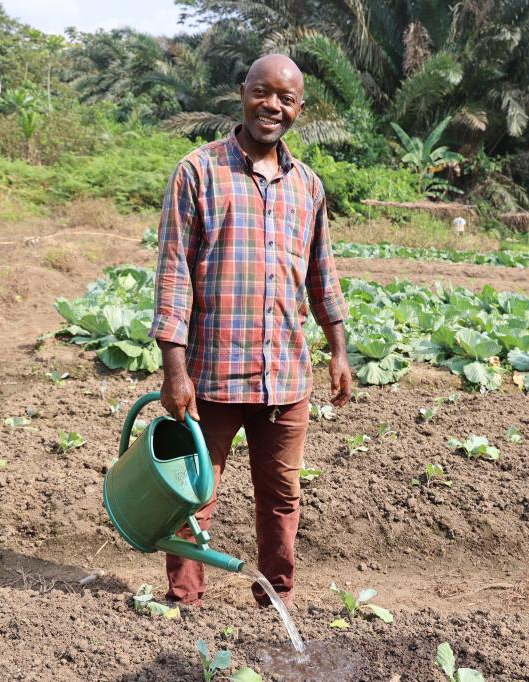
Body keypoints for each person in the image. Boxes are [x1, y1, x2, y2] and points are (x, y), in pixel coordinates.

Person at [150, 54, 352, 609]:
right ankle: (184, 601)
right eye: (264, 93)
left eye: (286, 99)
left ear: (299, 109)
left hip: (286, 375)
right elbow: (173, 275)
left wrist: (338, 350)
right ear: (242, 93)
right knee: (195, 494)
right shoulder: (198, 171)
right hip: (211, 373)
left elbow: (322, 275)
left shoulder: (308, 187)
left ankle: (275, 598)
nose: (273, 107)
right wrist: (174, 369)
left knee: (282, 495)